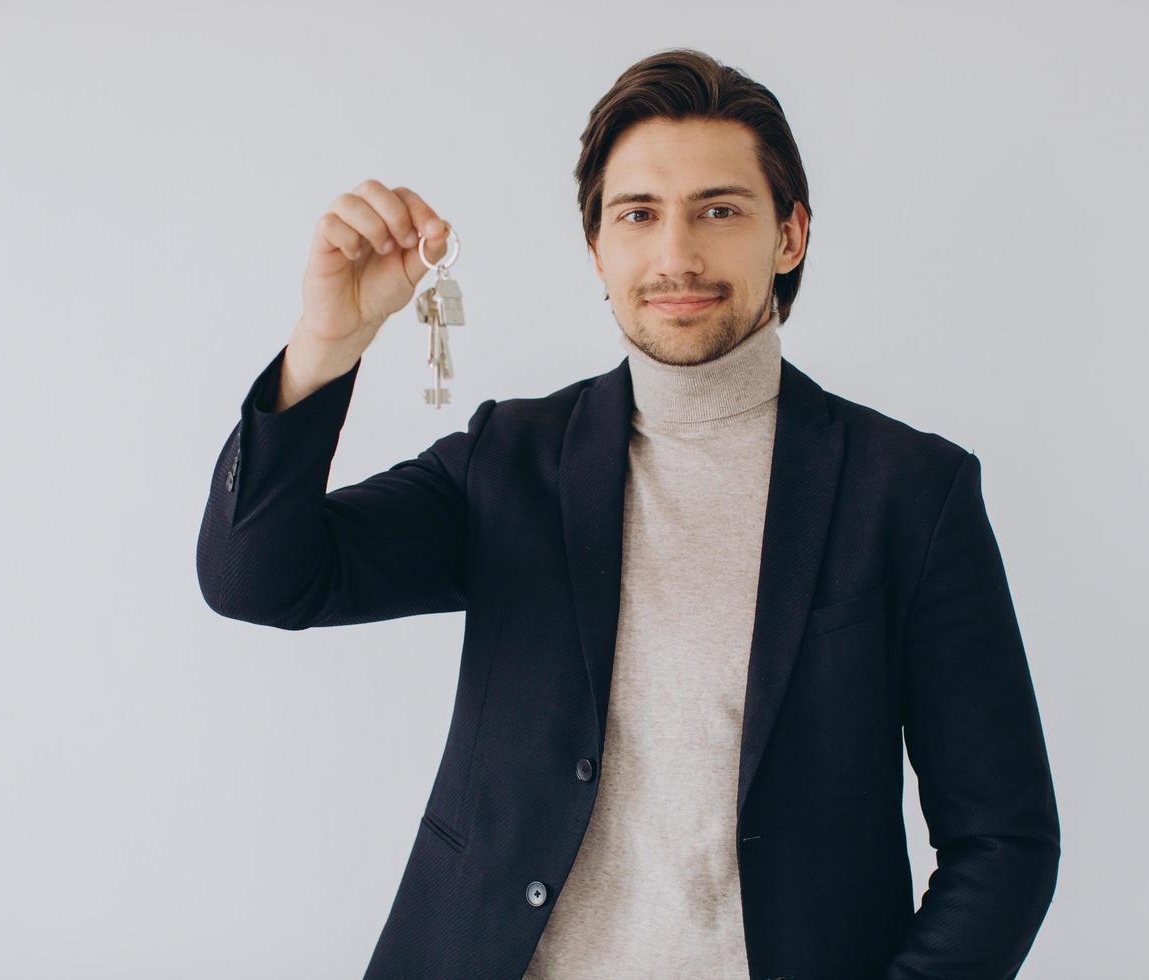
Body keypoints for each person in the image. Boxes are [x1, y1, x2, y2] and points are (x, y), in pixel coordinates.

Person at [196, 47, 1060, 980]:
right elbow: (261, 578)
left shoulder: (910, 493)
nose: (675, 255)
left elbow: (1004, 843)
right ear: (597, 248)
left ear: (790, 235)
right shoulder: (512, 460)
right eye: (637, 214)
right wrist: (327, 342)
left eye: (719, 210)